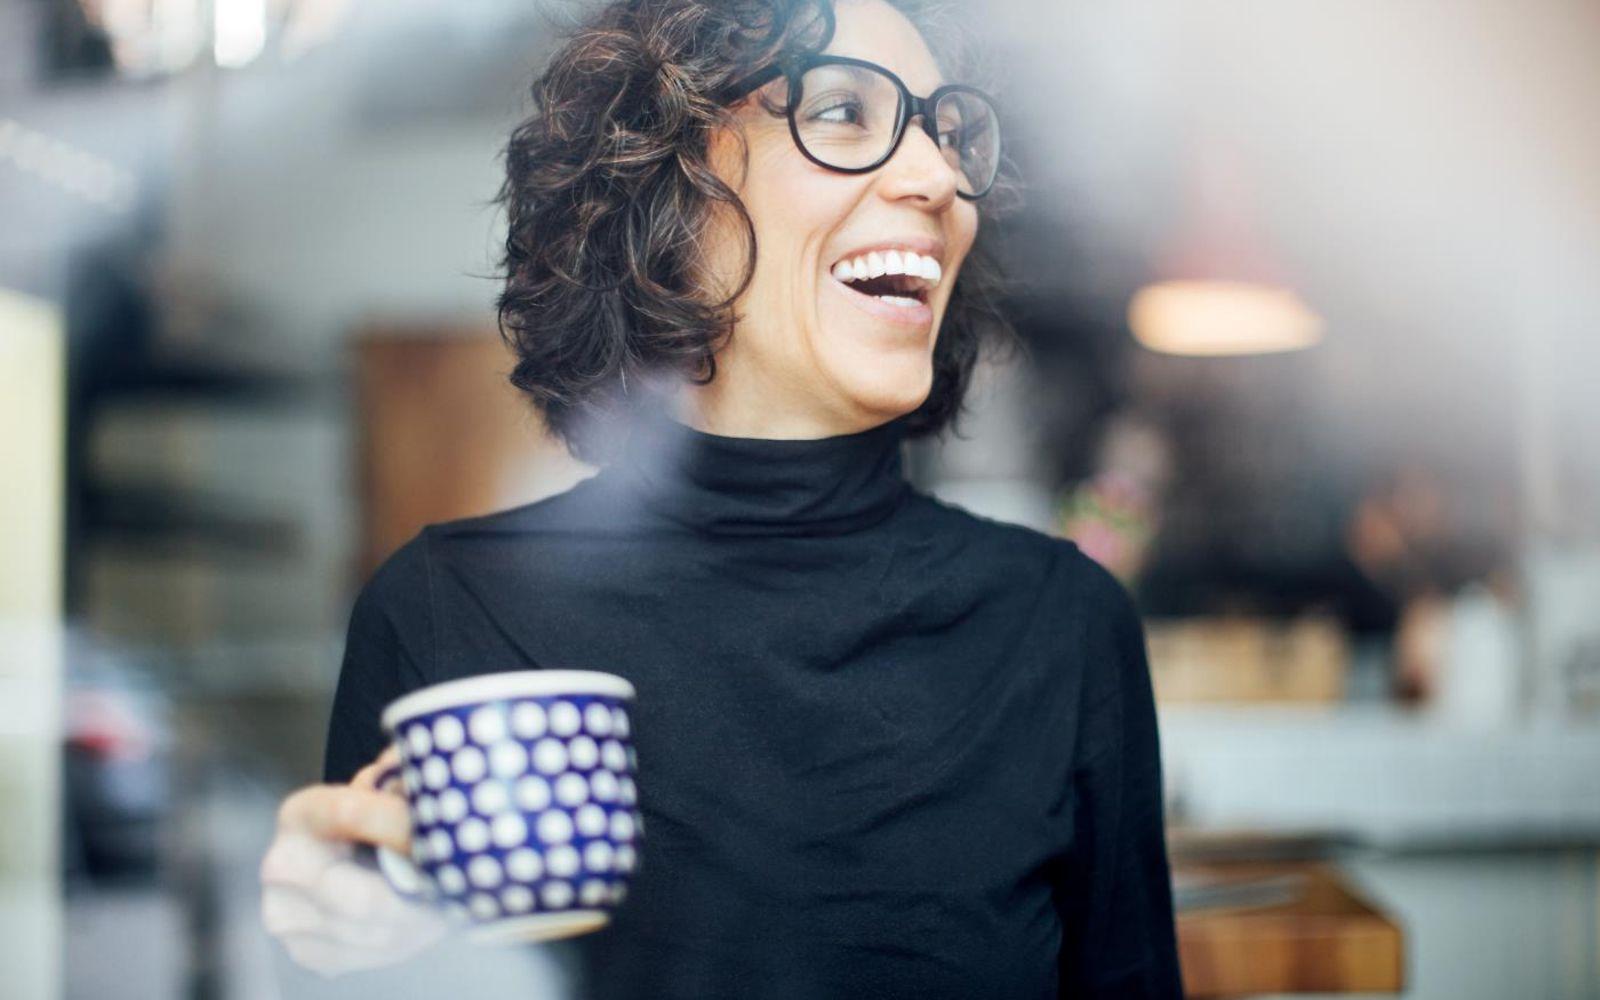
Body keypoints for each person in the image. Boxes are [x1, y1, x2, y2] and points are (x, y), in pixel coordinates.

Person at [258, 0, 1184, 996]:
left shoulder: (1060, 626)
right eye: (840, 114)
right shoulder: (449, 614)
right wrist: (329, 948)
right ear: (665, 182)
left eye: (946, 134)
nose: (939, 178)